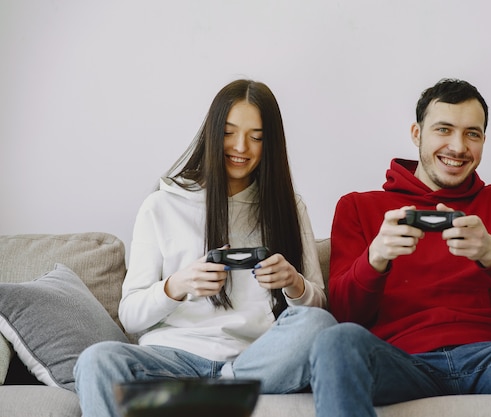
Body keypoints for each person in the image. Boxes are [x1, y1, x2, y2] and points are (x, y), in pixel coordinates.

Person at [309, 78, 491, 417]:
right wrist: (375, 259)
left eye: (472, 134)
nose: (458, 146)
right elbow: (345, 316)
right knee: (334, 342)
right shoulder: (358, 207)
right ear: (417, 133)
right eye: (444, 129)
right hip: (399, 361)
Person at [73, 79, 336, 417]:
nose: (241, 146)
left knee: (320, 327)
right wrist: (178, 285)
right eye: (229, 132)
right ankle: (219, 397)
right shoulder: (162, 205)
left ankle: (219, 390)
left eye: (256, 137)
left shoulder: (288, 207)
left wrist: (294, 283)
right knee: (97, 360)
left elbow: (318, 308)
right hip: (171, 359)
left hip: (248, 361)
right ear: (211, 134)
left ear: (270, 144)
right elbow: (131, 316)